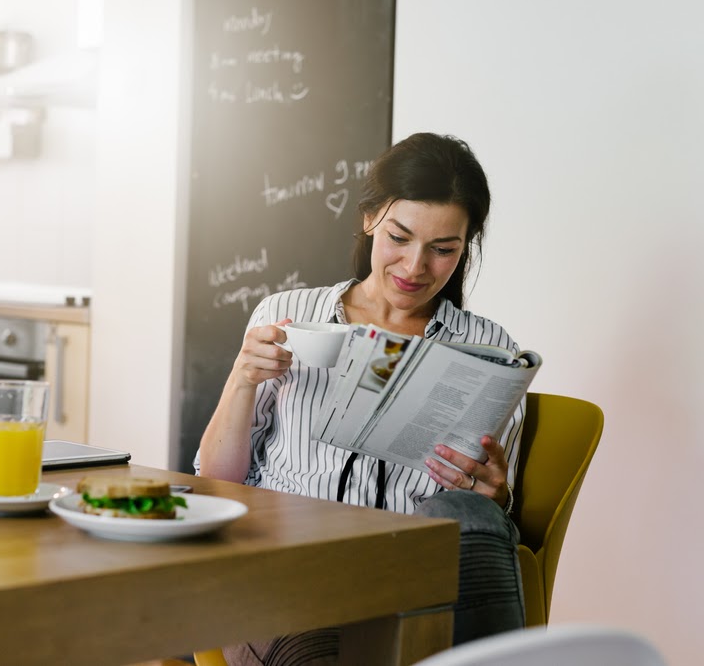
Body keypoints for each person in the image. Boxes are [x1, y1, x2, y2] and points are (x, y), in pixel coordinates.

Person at [195, 132, 526, 665]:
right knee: (314, 628)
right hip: (286, 565)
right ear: (371, 217)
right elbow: (219, 481)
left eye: (444, 250)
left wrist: (493, 495)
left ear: (467, 247)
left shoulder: (492, 350)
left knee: (471, 515)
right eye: (400, 237)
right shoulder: (287, 314)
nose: (416, 267)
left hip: (411, 581)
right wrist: (242, 379)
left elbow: (487, 512)